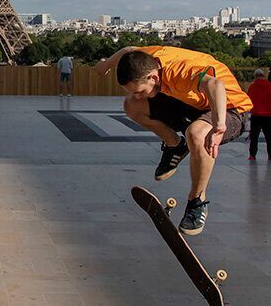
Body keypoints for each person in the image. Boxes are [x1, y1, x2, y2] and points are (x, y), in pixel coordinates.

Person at [95, 46, 252, 235]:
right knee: (132, 105)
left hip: (228, 108)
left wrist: (219, 126)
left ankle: (197, 201)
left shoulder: (179, 71)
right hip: (193, 103)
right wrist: (106, 65)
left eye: (140, 91)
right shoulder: (146, 59)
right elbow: (128, 50)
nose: (138, 94)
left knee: (197, 134)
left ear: (153, 77)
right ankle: (175, 145)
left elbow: (215, 86)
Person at [246, 68, 271, 161]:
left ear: (255, 76)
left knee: (254, 136)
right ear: (263, 75)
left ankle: (252, 155)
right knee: (269, 136)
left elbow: (249, 100)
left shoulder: (252, 86)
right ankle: (270, 154)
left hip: (256, 115)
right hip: (267, 115)